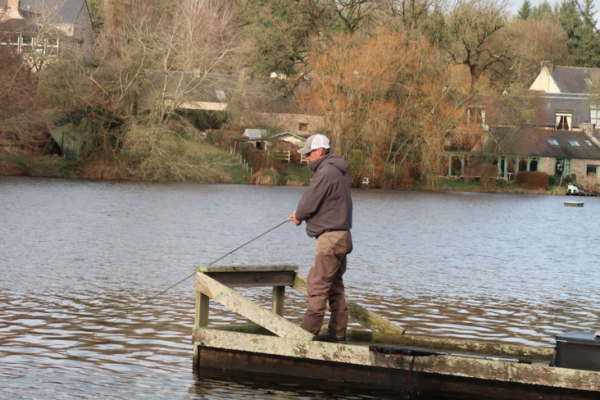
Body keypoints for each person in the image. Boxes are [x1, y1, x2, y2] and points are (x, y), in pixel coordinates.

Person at [288, 134, 353, 343]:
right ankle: (337, 333)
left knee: (316, 286)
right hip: (342, 237)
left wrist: (298, 216)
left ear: (319, 151)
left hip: (330, 239)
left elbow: (309, 202)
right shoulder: (338, 171)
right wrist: (301, 214)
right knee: (335, 287)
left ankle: (305, 336)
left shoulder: (325, 172)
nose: (306, 158)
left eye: (308, 153)